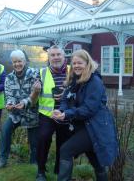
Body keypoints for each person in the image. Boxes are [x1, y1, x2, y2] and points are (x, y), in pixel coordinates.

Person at [52, 49, 118, 181]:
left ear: (88, 63)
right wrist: (62, 110)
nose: (76, 66)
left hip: (95, 126)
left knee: (66, 150)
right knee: (95, 160)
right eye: (74, 63)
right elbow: (66, 99)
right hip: (83, 126)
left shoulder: (94, 82)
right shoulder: (74, 80)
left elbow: (88, 109)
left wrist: (67, 114)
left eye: (80, 63)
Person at [0, 49, 41, 169]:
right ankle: (2, 159)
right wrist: (10, 103)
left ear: (24, 61)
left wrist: (24, 103)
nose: (17, 64)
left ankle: (34, 162)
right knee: (6, 129)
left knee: (34, 140)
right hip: (16, 113)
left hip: (31, 113)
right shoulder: (9, 78)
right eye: (14, 62)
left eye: (19, 61)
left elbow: (36, 94)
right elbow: (9, 95)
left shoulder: (35, 74)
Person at [36, 45, 73, 181]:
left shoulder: (73, 71)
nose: (56, 57)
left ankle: (60, 171)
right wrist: (34, 91)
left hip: (66, 114)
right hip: (47, 115)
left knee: (64, 144)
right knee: (43, 139)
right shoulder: (41, 72)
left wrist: (66, 93)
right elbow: (34, 95)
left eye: (59, 55)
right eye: (53, 55)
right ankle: (40, 171)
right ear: (49, 57)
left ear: (64, 57)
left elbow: (79, 92)